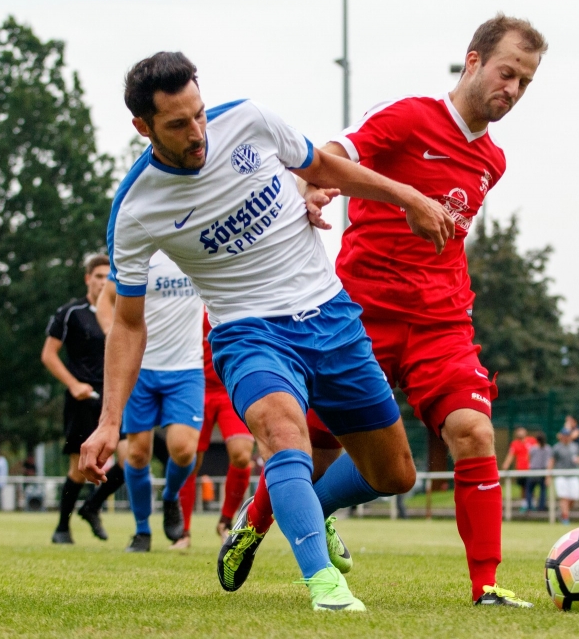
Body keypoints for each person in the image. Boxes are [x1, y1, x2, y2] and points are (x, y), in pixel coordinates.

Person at [79, 51, 454, 612]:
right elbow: (128, 324)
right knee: (284, 434)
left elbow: (322, 167)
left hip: (330, 316)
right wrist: (110, 420)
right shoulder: (136, 209)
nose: (197, 133)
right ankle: (325, 586)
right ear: (143, 127)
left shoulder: (249, 119)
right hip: (249, 333)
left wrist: (409, 196)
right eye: (178, 124)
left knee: (395, 474)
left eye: (199, 113)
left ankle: (279, 513)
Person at [281, 13, 547, 608]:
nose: (513, 90)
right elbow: (330, 154)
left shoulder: (493, 161)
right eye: (507, 73)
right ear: (473, 61)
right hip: (361, 315)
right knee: (316, 447)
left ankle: (486, 586)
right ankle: (267, 517)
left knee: (474, 432)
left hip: (441, 324)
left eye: (526, 82)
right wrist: (312, 186)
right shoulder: (408, 117)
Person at [96, 250, 204, 552]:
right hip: (140, 368)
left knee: (184, 449)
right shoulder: (141, 249)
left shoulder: (197, 244)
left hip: (186, 369)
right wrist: (112, 334)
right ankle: (142, 530)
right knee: (137, 453)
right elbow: (105, 299)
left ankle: (170, 496)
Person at [42, 254, 126, 544]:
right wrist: (73, 384)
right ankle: (62, 528)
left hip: (114, 396)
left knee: (131, 459)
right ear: (88, 279)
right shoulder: (71, 313)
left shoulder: (121, 312)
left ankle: (91, 506)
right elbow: (48, 354)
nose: (104, 282)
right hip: (83, 399)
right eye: (99, 276)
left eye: (108, 277)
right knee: (79, 468)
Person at [175, 311, 257, 549]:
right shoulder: (191, 304)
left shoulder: (242, 302)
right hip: (196, 387)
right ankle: (183, 532)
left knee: (242, 456)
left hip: (230, 387)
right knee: (189, 459)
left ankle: (225, 522)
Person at [548, 428, 579, 524]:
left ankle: (564, 512)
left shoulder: (575, 446)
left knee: (574, 497)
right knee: (564, 497)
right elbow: (552, 461)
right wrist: (548, 475)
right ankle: (565, 517)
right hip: (561, 475)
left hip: (573, 475)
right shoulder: (557, 447)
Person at [500, 427, 537, 511]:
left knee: (531, 487)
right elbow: (511, 455)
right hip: (521, 470)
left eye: (521, 431)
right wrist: (506, 464)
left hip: (531, 469)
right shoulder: (515, 444)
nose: (520, 433)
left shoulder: (532, 441)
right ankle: (524, 504)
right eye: (518, 431)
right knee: (523, 487)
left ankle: (532, 504)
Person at [525, 432, 551, 512]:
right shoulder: (548, 448)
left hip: (534, 470)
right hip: (543, 470)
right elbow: (549, 462)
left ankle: (529, 507)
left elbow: (528, 458)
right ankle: (541, 507)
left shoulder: (533, 448)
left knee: (529, 489)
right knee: (543, 490)